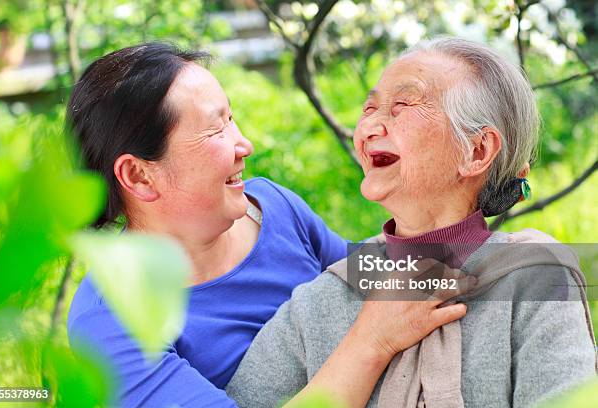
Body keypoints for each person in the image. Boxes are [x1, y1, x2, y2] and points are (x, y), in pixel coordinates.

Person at [66, 43, 477, 408]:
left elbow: (357, 274)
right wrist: (372, 342)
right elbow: (371, 322)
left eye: (232, 119)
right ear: (139, 176)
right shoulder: (111, 322)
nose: (245, 145)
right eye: (215, 128)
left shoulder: (270, 206)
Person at [226, 37, 597, 407]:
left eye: (401, 105)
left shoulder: (534, 281)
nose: (370, 126)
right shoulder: (322, 299)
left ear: (477, 151)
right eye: (369, 108)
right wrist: (370, 341)